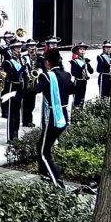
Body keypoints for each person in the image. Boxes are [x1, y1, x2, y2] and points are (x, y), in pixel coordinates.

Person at [33, 49, 74, 188]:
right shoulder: (67, 75)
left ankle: (57, 182)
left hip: (53, 117)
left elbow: (35, 90)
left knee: (43, 152)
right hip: (64, 116)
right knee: (42, 146)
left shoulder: (46, 76)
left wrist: (16, 93)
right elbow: (73, 90)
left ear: (47, 63)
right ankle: (45, 176)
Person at [2, 41, 26, 142]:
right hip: (12, 88)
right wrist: (22, 69)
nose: (18, 50)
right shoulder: (8, 62)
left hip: (20, 86)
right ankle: (11, 137)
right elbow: (12, 76)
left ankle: (16, 134)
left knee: (17, 113)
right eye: (16, 48)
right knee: (12, 113)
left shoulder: (21, 60)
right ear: (12, 50)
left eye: (20, 48)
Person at [21, 39, 40, 127]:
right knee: (26, 103)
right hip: (26, 82)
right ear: (27, 48)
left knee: (32, 103)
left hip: (34, 81)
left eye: (33, 46)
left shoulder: (37, 56)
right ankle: (25, 121)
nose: (32, 48)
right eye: (30, 46)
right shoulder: (24, 57)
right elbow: (24, 68)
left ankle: (30, 120)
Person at [70, 43, 94, 107]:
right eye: (81, 49)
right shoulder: (74, 61)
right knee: (76, 98)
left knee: (82, 98)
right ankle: (75, 112)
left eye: (84, 49)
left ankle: (81, 111)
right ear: (77, 51)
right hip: (78, 81)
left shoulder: (86, 61)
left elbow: (91, 71)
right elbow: (73, 73)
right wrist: (82, 66)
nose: (82, 51)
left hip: (84, 81)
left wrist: (88, 64)